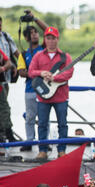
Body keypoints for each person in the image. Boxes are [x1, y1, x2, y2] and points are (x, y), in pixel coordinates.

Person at [28, 26, 74, 160]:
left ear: (57, 39)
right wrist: (41, 73)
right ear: (45, 40)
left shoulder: (66, 57)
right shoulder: (38, 56)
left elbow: (69, 73)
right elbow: (31, 71)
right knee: (42, 123)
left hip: (61, 96)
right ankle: (42, 150)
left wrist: (55, 78)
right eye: (48, 38)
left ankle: (62, 150)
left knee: (63, 124)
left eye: (53, 38)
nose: (51, 41)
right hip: (43, 98)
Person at [16, 12, 48, 151]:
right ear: (26, 37)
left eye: (36, 32)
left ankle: (44, 143)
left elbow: (48, 31)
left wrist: (35, 19)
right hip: (30, 90)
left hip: (45, 89)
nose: (35, 35)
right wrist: (36, 72)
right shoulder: (23, 54)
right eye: (32, 33)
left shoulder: (44, 49)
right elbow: (21, 72)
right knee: (30, 117)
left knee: (44, 119)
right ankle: (29, 141)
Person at [0, 15, 20, 143]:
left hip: (4, 79)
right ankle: (5, 133)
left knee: (4, 107)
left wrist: (21, 66)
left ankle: (5, 134)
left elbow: (13, 56)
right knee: (4, 107)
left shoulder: (6, 37)